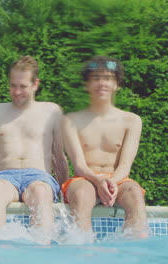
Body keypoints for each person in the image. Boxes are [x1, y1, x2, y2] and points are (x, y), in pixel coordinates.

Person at [60, 56, 148, 238]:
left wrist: (111, 183)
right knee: (83, 194)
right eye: (96, 78)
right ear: (87, 85)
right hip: (84, 179)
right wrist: (98, 181)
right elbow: (79, 165)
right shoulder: (70, 120)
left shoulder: (131, 121)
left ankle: (136, 248)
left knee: (134, 193)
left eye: (107, 78)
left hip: (119, 180)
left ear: (116, 85)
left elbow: (125, 166)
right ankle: (82, 250)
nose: (102, 83)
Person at [0, 56, 69, 234]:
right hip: (3, 176)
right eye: (13, 85)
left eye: (23, 86)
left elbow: (59, 156)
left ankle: (41, 251)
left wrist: (65, 192)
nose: (17, 91)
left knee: (40, 192)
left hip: (39, 176)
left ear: (35, 84)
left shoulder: (52, 111)